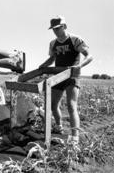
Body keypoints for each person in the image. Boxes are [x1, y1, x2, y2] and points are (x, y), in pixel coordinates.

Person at [38, 16, 93, 144]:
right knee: (53, 105)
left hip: (72, 76)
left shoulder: (75, 40)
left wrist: (79, 65)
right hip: (58, 76)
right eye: (54, 29)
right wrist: (43, 65)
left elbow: (89, 56)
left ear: (65, 26)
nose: (56, 31)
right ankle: (59, 126)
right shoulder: (53, 43)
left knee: (71, 105)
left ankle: (75, 137)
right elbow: (52, 59)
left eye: (58, 28)